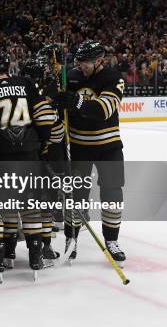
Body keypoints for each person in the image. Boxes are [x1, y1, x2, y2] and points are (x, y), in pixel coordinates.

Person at [0, 50, 57, 283]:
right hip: (28, 154)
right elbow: (45, 117)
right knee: (29, 204)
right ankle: (35, 256)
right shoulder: (27, 83)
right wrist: (41, 143)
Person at [55, 40, 126, 265]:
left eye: (84, 61)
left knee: (112, 194)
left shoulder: (113, 78)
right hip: (79, 146)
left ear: (99, 61)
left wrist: (75, 101)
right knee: (76, 196)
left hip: (109, 147)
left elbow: (102, 111)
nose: (80, 65)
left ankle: (112, 241)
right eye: (78, 60)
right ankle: (71, 239)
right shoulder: (71, 76)